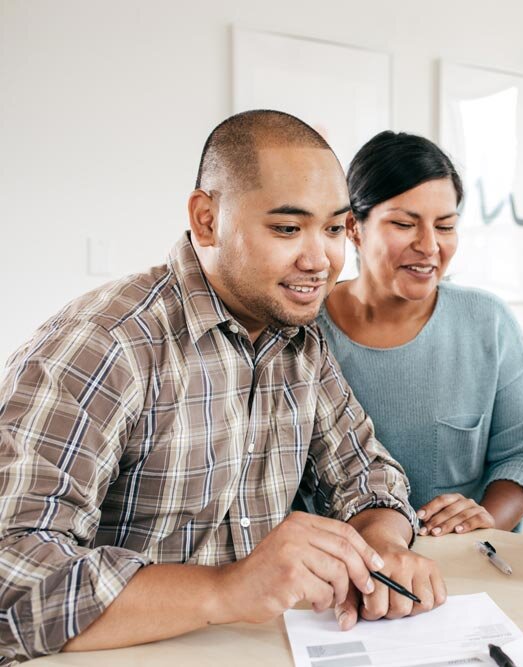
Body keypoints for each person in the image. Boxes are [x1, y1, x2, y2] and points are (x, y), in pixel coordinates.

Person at [0, 110, 445, 664]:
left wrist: (379, 550)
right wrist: (226, 589)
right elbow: (11, 573)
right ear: (206, 219)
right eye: (287, 228)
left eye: (333, 229)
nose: (321, 261)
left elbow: (368, 471)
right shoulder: (104, 346)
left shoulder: (297, 339)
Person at [315, 131, 523, 537]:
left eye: (445, 226)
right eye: (405, 224)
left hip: (471, 560)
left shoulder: (488, 323)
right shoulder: (307, 333)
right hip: (348, 571)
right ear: (353, 227)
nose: (429, 246)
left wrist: (483, 521)